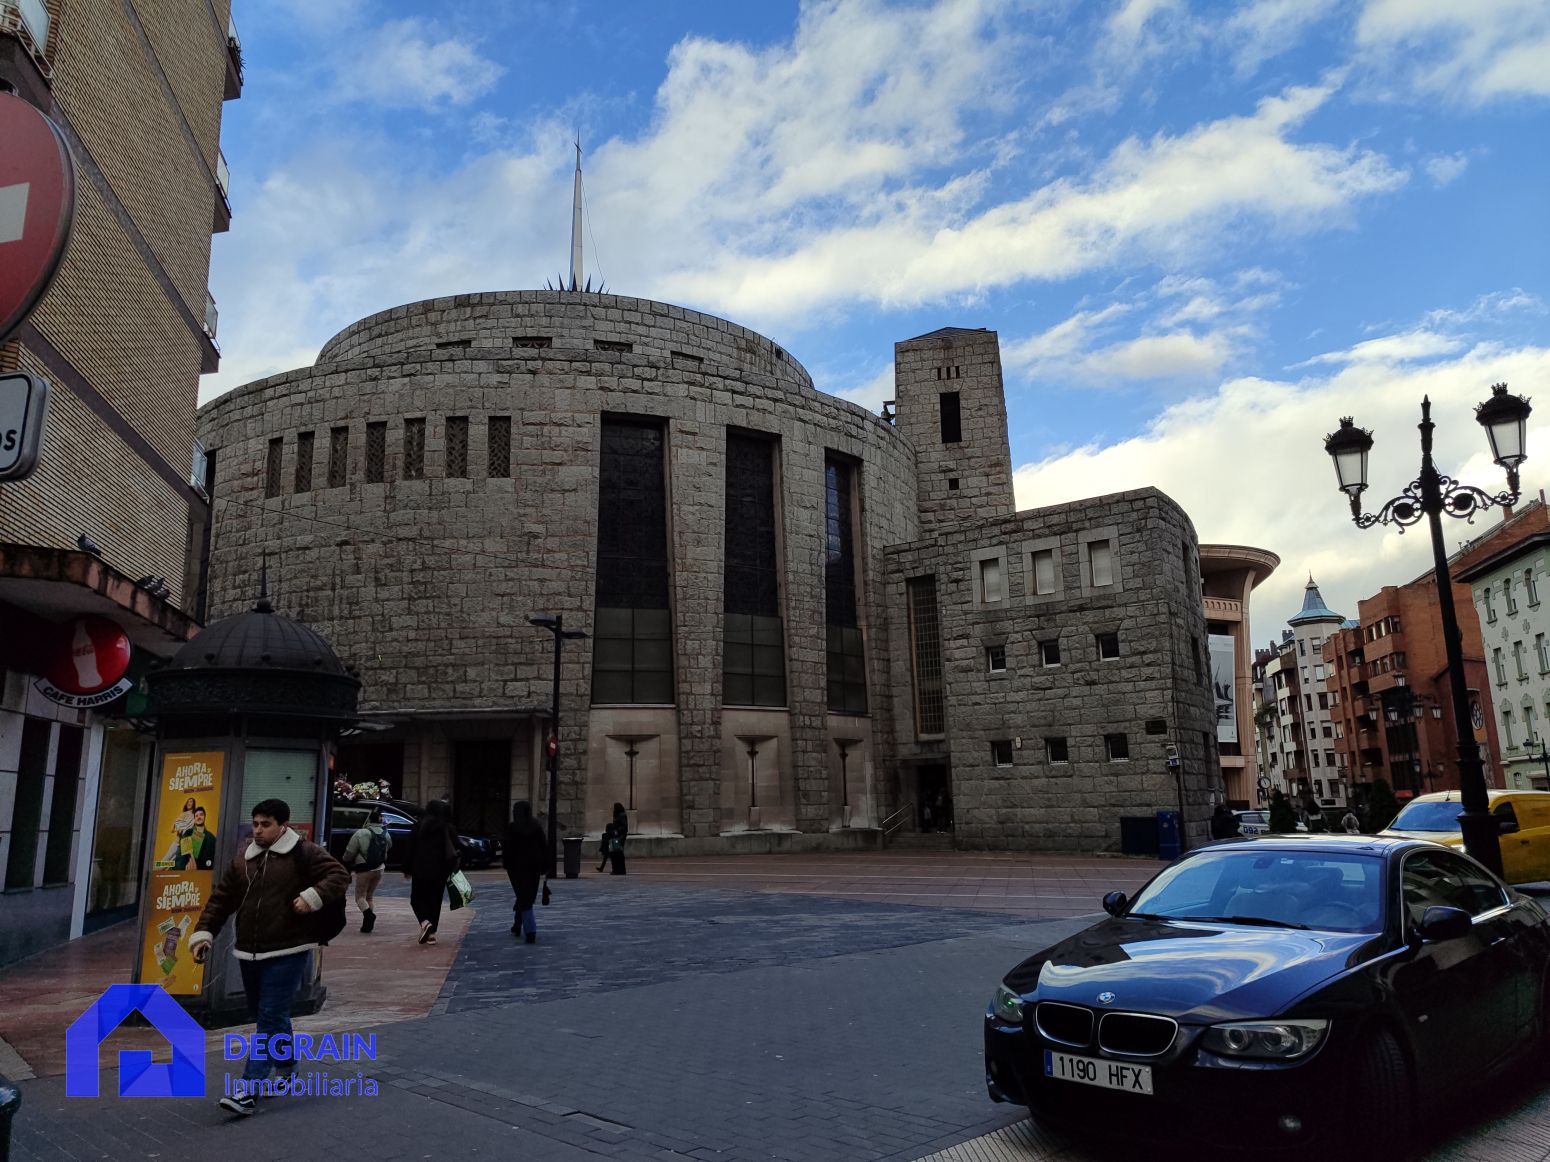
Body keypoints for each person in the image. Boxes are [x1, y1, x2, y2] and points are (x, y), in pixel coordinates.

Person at [189, 798, 347, 1117]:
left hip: (289, 948)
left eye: (265, 825)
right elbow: (220, 900)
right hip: (249, 951)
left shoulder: (304, 853)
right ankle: (287, 1069)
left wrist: (311, 898)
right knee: (270, 1016)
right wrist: (204, 934)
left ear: (282, 826)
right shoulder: (244, 860)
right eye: (255, 824)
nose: (258, 831)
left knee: (269, 1016)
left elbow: (339, 875)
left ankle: (249, 1089)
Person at [399, 799, 459, 945]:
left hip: (420, 870)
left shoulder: (419, 826)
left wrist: (406, 868)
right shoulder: (447, 827)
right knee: (435, 901)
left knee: (417, 899)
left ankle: (425, 923)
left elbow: (410, 848)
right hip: (440, 871)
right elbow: (455, 848)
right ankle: (431, 934)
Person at [502, 800, 548, 944]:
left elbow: (508, 847)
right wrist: (545, 865)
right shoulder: (536, 827)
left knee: (523, 896)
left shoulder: (513, 828)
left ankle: (530, 930)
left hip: (517, 867)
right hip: (534, 866)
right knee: (526, 895)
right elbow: (543, 846)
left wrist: (506, 863)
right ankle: (517, 925)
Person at [341, 807, 391, 933]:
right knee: (369, 897)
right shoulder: (386, 833)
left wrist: (346, 861)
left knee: (360, 897)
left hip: (364, 869)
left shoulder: (361, 833)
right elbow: (389, 847)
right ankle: (367, 925)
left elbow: (349, 853)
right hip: (380, 869)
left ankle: (368, 915)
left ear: (369, 820)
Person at [609, 802, 628, 876]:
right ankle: (617, 869)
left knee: (618, 853)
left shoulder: (622, 815)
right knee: (615, 853)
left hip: (620, 837)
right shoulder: (617, 815)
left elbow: (624, 826)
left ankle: (619, 870)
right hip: (616, 836)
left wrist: (617, 831)